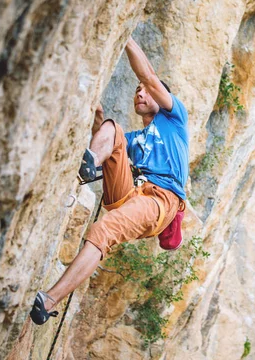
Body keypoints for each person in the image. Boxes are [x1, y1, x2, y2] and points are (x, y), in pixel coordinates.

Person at [29, 36, 189, 325]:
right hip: (131, 194)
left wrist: (126, 36)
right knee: (112, 127)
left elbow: (149, 76)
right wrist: (96, 118)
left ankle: (48, 301)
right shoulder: (135, 140)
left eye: (147, 92)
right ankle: (88, 167)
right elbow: (109, 138)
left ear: (162, 99)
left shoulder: (174, 120)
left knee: (105, 230)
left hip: (159, 200)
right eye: (137, 90)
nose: (140, 92)